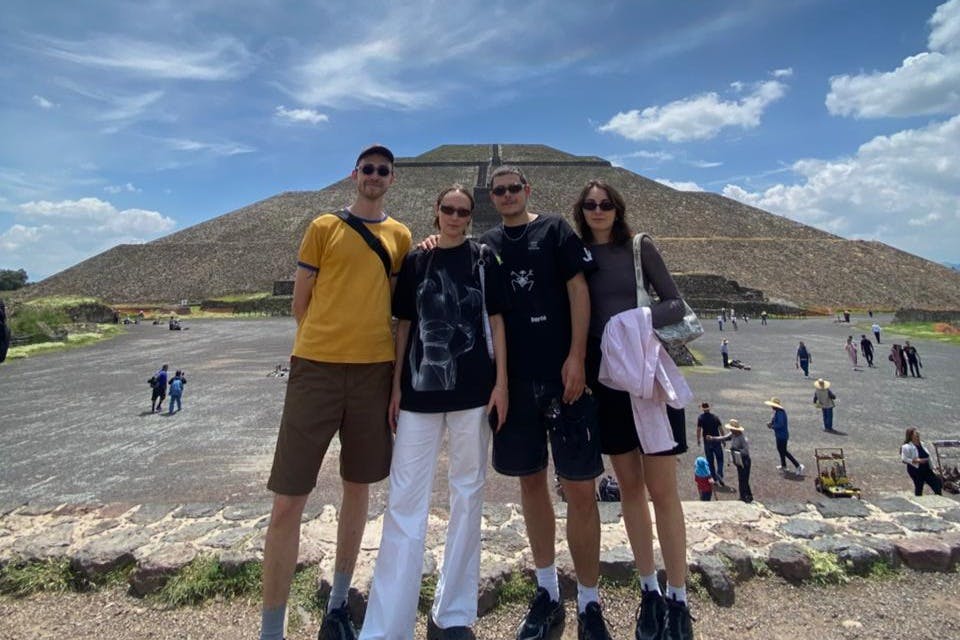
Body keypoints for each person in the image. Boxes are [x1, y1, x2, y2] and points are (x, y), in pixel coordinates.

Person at [258, 145, 412, 640]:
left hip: (372, 373)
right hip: (317, 370)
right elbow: (301, 303)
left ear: (392, 178)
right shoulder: (323, 226)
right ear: (355, 174)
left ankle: (339, 605)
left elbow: (398, 305)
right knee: (287, 501)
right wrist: (327, 340)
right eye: (367, 168)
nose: (374, 176)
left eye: (382, 171)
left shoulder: (401, 236)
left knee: (358, 490)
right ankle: (271, 629)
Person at [359, 186, 509, 640]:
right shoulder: (417, 260)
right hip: (419, 395)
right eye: (447, 209)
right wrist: (395, 387)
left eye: (463, 211)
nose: (455, 217)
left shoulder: (484, 259)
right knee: (405, 500)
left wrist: (501, 382)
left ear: (470, 215)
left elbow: (497, 321)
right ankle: (388, 625)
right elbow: (404, 324)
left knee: (468, 495)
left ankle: (455, 613)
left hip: (472, 394)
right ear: (436, 211)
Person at [474, 167, 611, 640]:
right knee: (530, 484)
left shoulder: (554, 229)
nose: (508, 195)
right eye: (499, 190)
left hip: (565, 378)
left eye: (515, 188)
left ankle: (590, 601)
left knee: (580, 489)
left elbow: (579, 289)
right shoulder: (486, 243)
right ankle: (548, 589)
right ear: (491, 197)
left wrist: (576, 357)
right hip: (516, 384)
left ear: (527, 191)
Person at [573, 179, 694, 640]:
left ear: (617, 209)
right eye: (590, 204)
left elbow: (675, 303)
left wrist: (632, 324)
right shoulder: (577, 256)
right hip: (608, 385)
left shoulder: (639, 247)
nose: (598, 210)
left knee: (664, 491)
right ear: (580, 210)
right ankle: (649, 589)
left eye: (605, 204)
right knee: (629, 489)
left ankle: (678, 595)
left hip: (649, 382)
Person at [710, 420, 752, 503]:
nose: (731, 430)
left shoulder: (742, 438)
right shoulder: (733, 434)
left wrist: (736, 450)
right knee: (742, 479)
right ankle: (747, 496)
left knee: (744, 479)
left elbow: (746, 451)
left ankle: (744, 496)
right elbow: (724, 438)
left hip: (745, 460)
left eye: (732, 429)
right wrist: (713, 438)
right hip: (739, 460)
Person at [764, 397, 803, 476]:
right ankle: (783, 465)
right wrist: (771, 423)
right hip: (779, 435)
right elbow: (775, 421)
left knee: (784, 451)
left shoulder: (780, 413)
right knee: (780, 450)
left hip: (782, 435)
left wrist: (772, 426)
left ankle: (798, 466)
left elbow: (780, 424)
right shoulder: (777, 412)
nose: (771, 406)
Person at [900, 427, 943, 496]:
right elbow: (904, 459)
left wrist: (935, 467)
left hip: (927, 469)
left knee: (937, 484)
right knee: (919, 487)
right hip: (915, 470)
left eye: (917, 433)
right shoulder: (906, 446)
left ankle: (939, 500)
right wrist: (916, 461)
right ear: (911, 436)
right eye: (915, 433)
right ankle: (918, 502)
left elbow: (928, 456)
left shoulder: (922, 444)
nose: (917, 434)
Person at [696, 402, 726, 487]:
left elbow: (698, 429)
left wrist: (698, 439)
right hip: (716, 440)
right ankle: (719, 473)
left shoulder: (701, 418)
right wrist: (723, 439)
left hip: (707, 442)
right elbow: (720, 429)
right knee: (720, 459)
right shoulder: (715, 417)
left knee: (710, 461)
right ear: (709, 409)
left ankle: (715, 479)